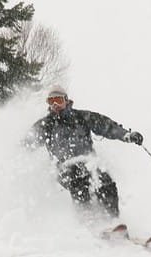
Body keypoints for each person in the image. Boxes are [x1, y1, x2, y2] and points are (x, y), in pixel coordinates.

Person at [24, 87, 143, 218]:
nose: (55, 105)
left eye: (58, 100)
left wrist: (127, 135)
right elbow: (28, 142)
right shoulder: (46, 124)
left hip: (88, 162)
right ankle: (86, 217)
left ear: (66, 100)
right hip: (63, 168)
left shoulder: (81, 117)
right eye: (51, 101)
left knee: (104, 178)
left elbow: (107, 126)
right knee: (78, 176)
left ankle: (112, 218)